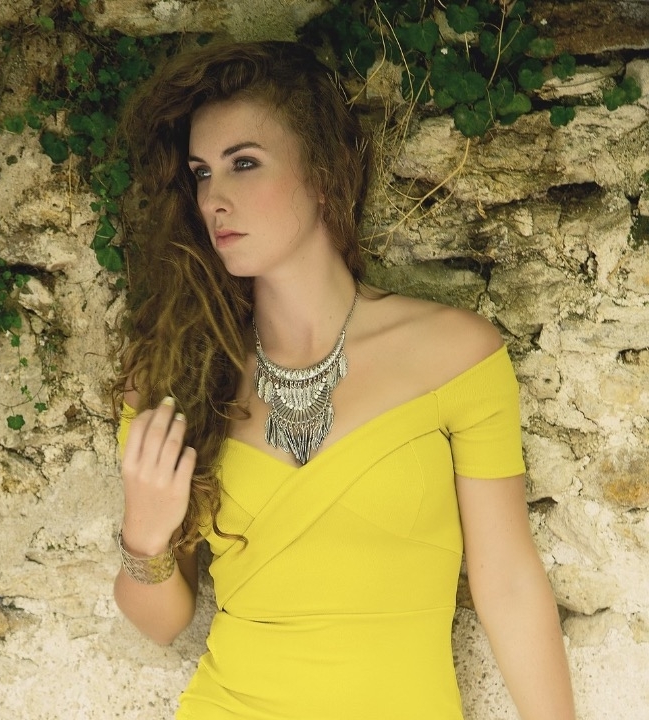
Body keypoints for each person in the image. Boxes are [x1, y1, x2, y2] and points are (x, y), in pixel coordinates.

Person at [112, 40, 575, 719]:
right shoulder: (178, 372)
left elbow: (507, 582)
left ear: (324, 172)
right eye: (202, 173)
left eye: (244, 163)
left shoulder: (455, 355)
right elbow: (161, 622)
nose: (214, 198)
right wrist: (144, 536)